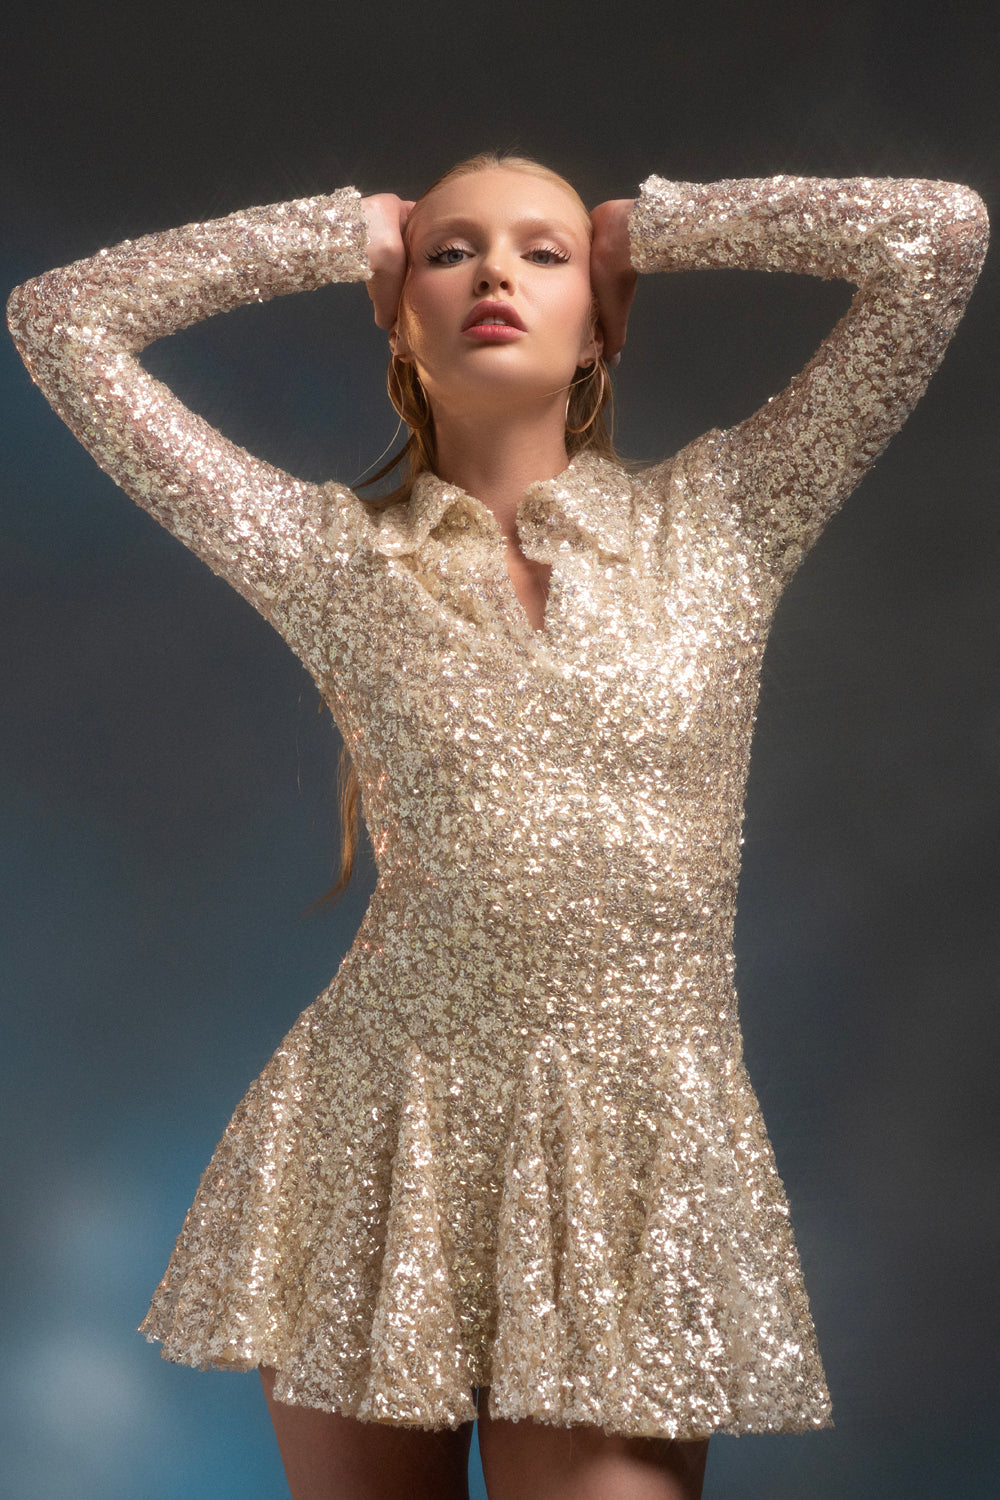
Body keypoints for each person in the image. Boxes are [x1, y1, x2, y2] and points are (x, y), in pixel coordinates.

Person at [7, 154, 987, 1500]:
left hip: (632, 1155)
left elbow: (940, 237)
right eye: (451, 250)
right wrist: (333, 233)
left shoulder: (726, 521)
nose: (494, 275)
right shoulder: (333, 557)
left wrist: (656, 227)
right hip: (378, 1142)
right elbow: (60, 322)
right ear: (399, 313)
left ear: (601, 322)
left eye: (543, 252)